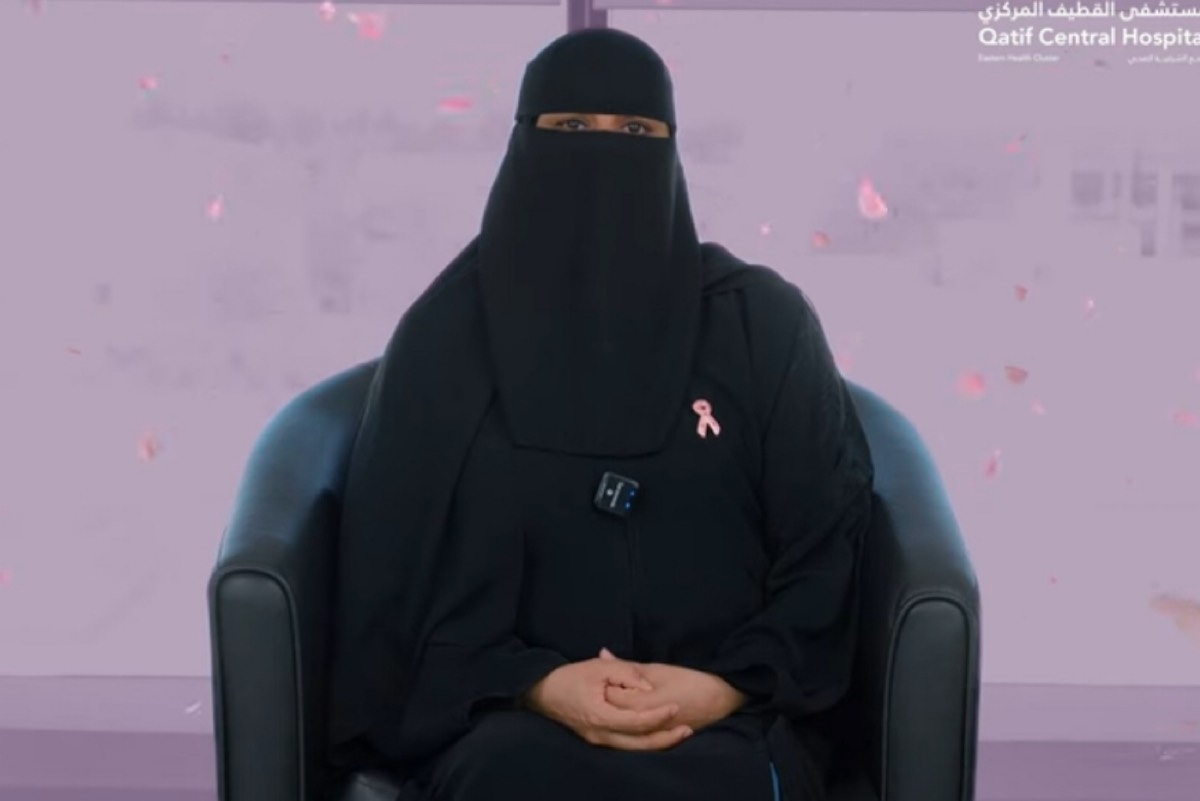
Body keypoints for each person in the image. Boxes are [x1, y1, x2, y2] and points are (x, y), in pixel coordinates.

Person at [327, 27, 875, 801]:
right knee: (509, 774)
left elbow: (825, 545)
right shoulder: (444, 343)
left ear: (672, 149)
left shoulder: (761, 324)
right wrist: (538, 684)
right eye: (575, 126)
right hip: (507, 724)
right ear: (524, 142)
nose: (605, 152)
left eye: (637, 131)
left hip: (728, 721)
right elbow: (393, 586)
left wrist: (721, 686)